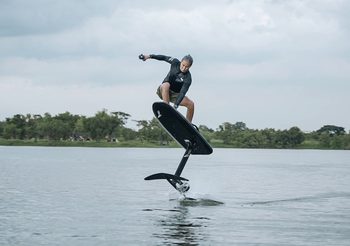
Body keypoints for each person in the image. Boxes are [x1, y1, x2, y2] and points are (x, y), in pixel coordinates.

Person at [139, 53, 195, 123]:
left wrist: (175, 105)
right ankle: (166, 110)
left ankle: (188, 126)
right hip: (163, 90)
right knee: (166, 85)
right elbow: (163, 57)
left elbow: (182, 93)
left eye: (187, 67)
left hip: (175, 95)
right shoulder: (175, 62)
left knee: (191, 104)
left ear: (190, 67)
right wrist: (149, 56)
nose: (184, 68)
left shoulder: (188, 78)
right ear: (181, 62)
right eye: (183, 65)